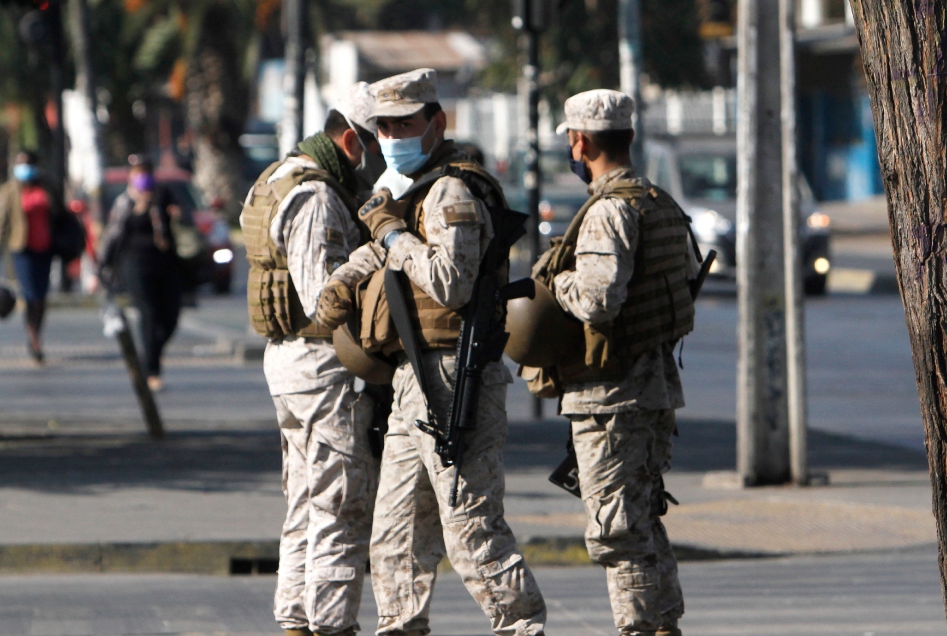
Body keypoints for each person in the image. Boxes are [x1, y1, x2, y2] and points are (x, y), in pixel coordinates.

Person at [317, 68, 547, 636]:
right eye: (384, 127)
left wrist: (392, 236)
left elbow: (451, 282)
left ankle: (523, 625)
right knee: (395, 535)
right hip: (412, 380)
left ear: (436, 122)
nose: (392, 136)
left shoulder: (451, 191)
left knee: (471, 528)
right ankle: (401, 626)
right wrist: (345, 280)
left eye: (405, 124)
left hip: (453, 373)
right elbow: (383, 253)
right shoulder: (408, 190)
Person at [546, 89, 699, 636]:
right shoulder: (660, 203)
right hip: (652, 388)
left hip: (611, 395)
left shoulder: (609, 210)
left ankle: (639, 628)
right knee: (642, 517)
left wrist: (554, 280)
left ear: (579, 142)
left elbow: (597, 300)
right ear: (629, 137)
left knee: (618, 530)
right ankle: (663, 625)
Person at [243, 83, 384, 636]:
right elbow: (321, 297)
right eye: (376, 142)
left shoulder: (281, 176)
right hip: (321, 369)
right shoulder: (317, 196)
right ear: (351, 141)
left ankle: (297, 621)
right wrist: (376, 254)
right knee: (340, 506)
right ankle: (330, 624)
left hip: (295, 367)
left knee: (306, 500)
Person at [97, 155, 182, 392]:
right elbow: (112, 236)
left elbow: (184, 220)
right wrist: (101, 267)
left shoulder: (163, 195)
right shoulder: (124, 202)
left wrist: (175, 214)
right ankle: (151, 370)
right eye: (137, 172)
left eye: (145, 172)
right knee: (148, 313)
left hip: (165, 264)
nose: (142, 177)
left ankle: (150, 352)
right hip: (134, 264)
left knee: (170, 317)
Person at [0, 151, 60, 364]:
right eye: (20, 163)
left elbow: (60, 214)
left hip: (45, 249)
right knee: (30, 295)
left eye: (28, 163)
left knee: (41, 297)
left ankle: (37, 333)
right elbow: (0, 225)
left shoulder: (47, 186)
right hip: (22, 250)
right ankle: (34, 340)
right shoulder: (10, 191)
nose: (24, 168)